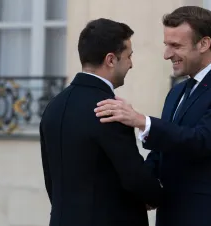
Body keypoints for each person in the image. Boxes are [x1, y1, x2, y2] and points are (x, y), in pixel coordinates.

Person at [94, 6, 211, 226]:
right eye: (166, 45)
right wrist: (141, 188)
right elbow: (162, 153)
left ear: (204, 44)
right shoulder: (177, 91)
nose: (167, 54)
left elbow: (201, 141)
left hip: (208, 217)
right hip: (170, 215)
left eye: (176, 46)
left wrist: (142, 121)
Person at [39, 18, 163, 226]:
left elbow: (51, 181)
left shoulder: (54, 106)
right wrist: (157, 196)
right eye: (128, 56)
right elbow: (133, 177)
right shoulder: (110, 109)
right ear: (111, 60)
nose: (131, 64)